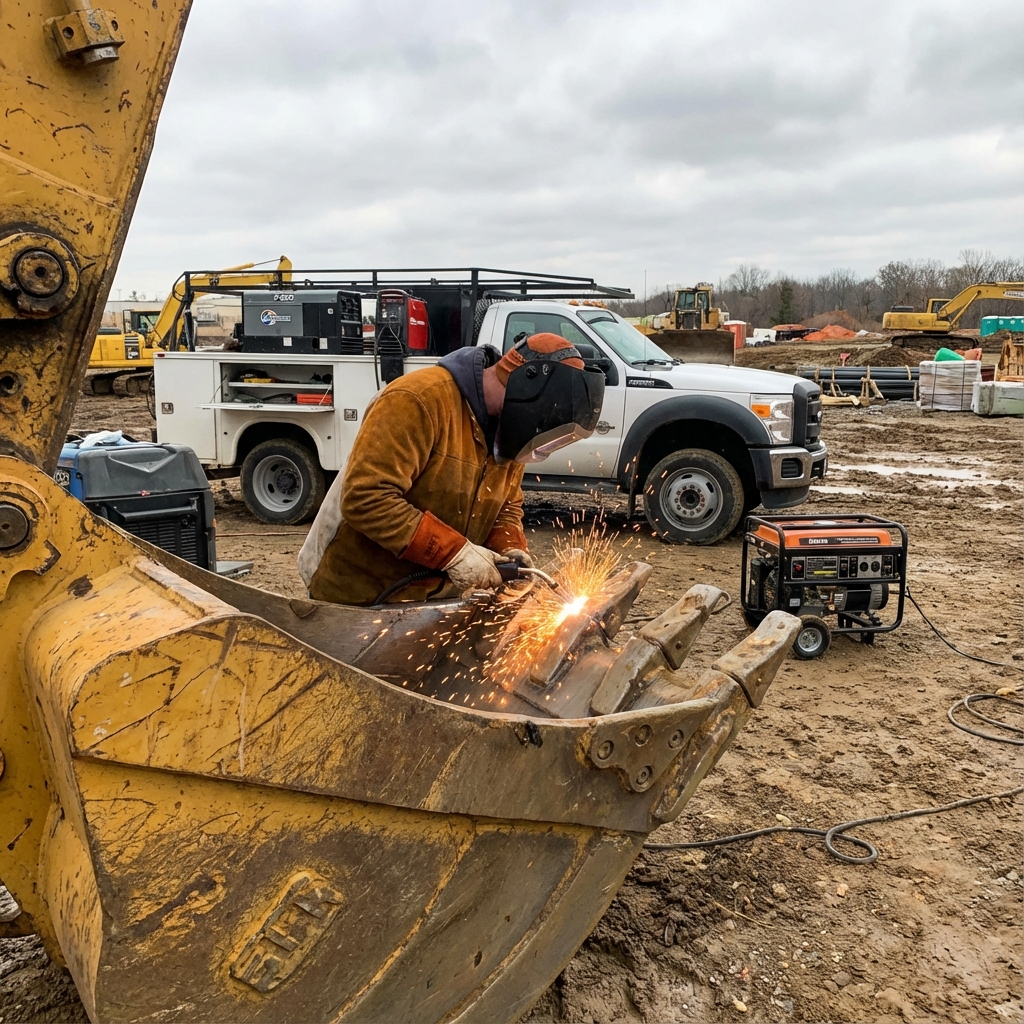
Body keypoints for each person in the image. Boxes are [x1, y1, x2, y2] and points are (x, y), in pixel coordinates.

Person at [297, 332, 604, 605]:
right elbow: (366, 498)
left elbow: (506, 505)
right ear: (527, 389)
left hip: (431, 600)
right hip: (355, 594)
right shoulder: (418, 400)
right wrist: (453, 552)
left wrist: (509, 548)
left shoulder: (510, 432)